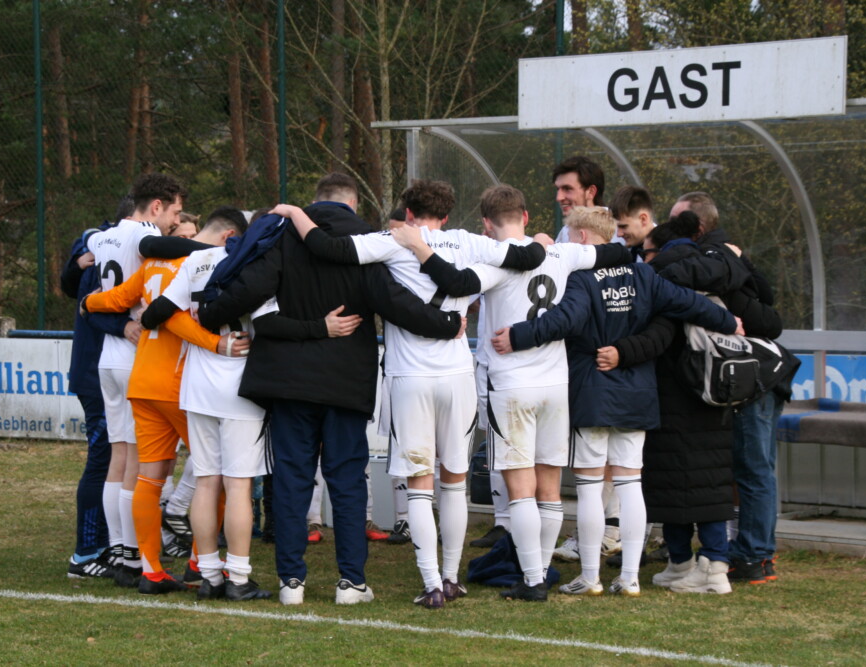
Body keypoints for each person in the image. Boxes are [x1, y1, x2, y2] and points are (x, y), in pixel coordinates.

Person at [196, 173, 466, 606]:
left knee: (291, 479)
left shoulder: (283, 237)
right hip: (346, 382)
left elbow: (251, 289)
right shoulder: (367, 241)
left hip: (288, 382)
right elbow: (396, 302)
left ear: (315, 201)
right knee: (346, 481)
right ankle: (351, 582)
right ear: (353, 204)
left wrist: (209, 314)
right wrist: (448, 324)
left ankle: (291, 582)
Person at [285, 178, 550, 608]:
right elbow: (527, 256)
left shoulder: (391, 241)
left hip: (410, 378)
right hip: (457, 376)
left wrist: (294, 212)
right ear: (446, 215)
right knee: (454, 482)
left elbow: (326, 247)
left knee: (419, 485)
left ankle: (431, 585)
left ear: (408, 213)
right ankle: (451, 577)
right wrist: (539, 241)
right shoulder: (468, 241)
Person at [391, 190, 631, 602]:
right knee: (549, 488)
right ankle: (540, 571)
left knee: (520, 489)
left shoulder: (496, 261)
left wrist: (419, 248)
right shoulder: (564, 254)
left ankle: (533, 579)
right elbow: (618, 253)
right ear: (526, 215)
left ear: (486, 224)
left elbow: (456, 282)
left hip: (511, 385)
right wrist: (551, 244)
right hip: (555, 384)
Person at [491, 206, 739, 598]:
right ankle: (630, 578)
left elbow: (565, 319)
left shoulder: (581, 278)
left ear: (583, 237)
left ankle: (590, 577)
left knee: (591, 488)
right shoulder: (644, 274)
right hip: (637, 393)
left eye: (570, 236)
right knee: (630, 484)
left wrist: (518, 335)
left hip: (593, 392)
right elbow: (687, 302)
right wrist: (728, 322)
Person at [83, 209, 246, 594]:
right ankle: (200, 562)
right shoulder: (199, 262)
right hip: (177, 383)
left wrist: (89, 303)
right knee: (217, 476)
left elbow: (120, 297)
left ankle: (151, 570)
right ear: (228, 237)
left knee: (149, 476)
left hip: (143, 380)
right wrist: (217, 343)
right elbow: (172, 317)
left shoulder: (154, 262)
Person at [604, 210, 766, 595]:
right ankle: (704, 563)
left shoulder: (667, 292)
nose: (644, 260)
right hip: (715, 400)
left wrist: (619, 352)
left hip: (673, 402)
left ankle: (700, 567)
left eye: (647, 254)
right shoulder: (720, 284)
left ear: (660, 253)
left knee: (671, 488)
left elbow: (657, 339)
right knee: (710, 485)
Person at [138, 206, 277, 601]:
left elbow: (156, 314)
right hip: (241, 386)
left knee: (206, 480)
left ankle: (210, 575)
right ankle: (238, 578)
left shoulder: (196, 261)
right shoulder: (257, 261)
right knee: (237, 485)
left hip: (197, 386)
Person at [86, 173, 204, 587]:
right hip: (146, 358)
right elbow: (161, 253)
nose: (176, 223)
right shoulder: (150, 240)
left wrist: (88, 304)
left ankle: (128, 555)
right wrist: (214, 249)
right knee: (146, 467)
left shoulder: (101, 238)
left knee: (124, 461)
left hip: (115, 359)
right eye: (175, 213)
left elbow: (88, 284)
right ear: (156, 207)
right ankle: (146, 557)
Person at [670, 192, 786, 585]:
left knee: (753, 469)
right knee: (755, 469)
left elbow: (767, 319)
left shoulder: (715, 262)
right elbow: (766, 293)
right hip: (757, 377)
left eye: (678, 222)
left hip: (753, 379)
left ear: (698, 227)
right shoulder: (728, 258)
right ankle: (756, 552)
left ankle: (753, 555)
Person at [60, 197, 135, 578]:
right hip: (97, 373)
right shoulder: (98, 243)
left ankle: (112, 546)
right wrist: (125, 326)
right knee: (103, 458)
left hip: (111, 371)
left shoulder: (106, 244)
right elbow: (80, 298)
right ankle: (85, 553)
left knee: (120, 458)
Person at [552, 156, 604, 243]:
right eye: (558, 189)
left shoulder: (617, 230)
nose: (559, 198)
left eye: (567, 189)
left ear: (591, 192)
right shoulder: (565, 232)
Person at [609, 185, 656, 261]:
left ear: (643, 219)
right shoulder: (620, 246)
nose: (619, 234)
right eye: (617, 227)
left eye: (623, 226)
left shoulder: (664, 253)